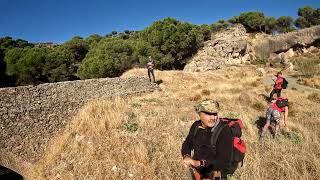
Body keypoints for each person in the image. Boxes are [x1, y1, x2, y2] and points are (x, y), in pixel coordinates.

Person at [181, 100, 233, 180]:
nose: (213, 118)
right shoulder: (196, 126)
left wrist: (197, 163)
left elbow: (222, 161)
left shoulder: (224, 131)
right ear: (199, 113)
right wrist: (187, 156)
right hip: (197, 172)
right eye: (208, 114)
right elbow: (187, 143)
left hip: (215, 176)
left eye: (215, 114)